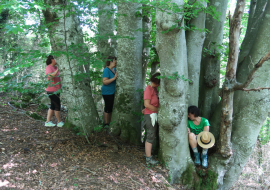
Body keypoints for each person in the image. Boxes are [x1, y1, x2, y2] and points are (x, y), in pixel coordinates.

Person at [142, 72, 160, 165]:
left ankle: (148, 153)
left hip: (154, 114)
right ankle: (148, 158)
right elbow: (147, 104)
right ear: (157, 82)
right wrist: (158, 110)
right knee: (150, 135)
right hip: (150, 115)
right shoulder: (148, 89)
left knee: (153, 134)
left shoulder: (155, 89)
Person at [45, 55, 64, 127]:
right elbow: (50, 76)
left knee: (53, 106)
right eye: (56, 59)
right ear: (52, 60)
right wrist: (57, 70)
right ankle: (59, 122)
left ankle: (47, 122)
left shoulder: (55, 67)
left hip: (57, 90)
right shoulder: (49, 67)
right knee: (57, 106)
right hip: (51, 90)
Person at [102, 56, 118, 127]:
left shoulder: (114, 69)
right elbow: (104, 82)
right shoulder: (106, 70)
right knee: (108, 108)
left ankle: (110, 122)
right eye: (115, 62)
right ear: (111, 62)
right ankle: (106, 123)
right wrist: (114, 78)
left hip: (112, 92)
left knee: (111, 108)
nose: (116, 63)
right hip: (107, 92)